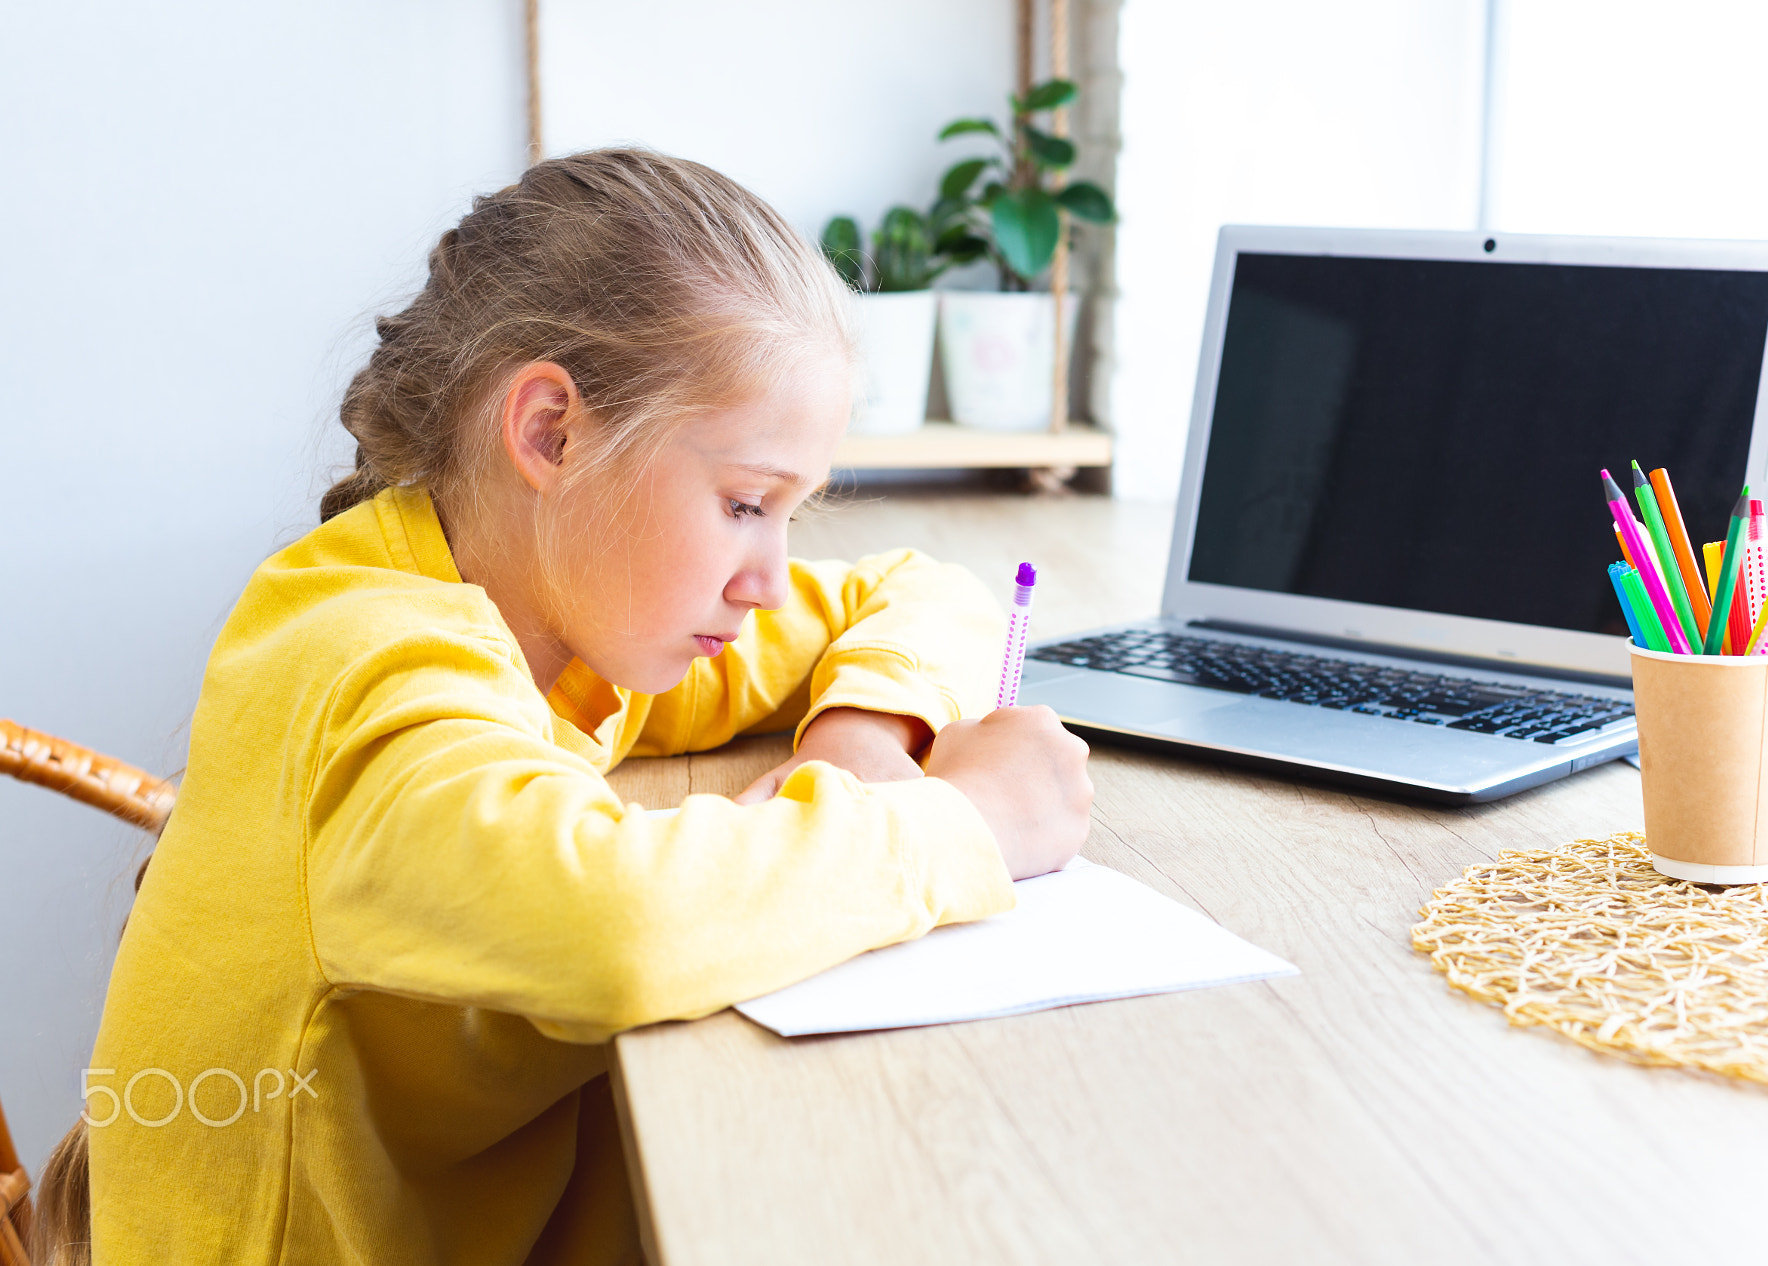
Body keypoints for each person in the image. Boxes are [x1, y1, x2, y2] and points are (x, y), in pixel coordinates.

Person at [39, 149, 1092, 1265]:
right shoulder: (371, 660)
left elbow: (915, 591)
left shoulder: (569, 621)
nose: (768, 577)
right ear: (550, 433)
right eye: (744, 503)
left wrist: (860, 740)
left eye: (789, 512)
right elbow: (615, 926)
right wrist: (964, 823)